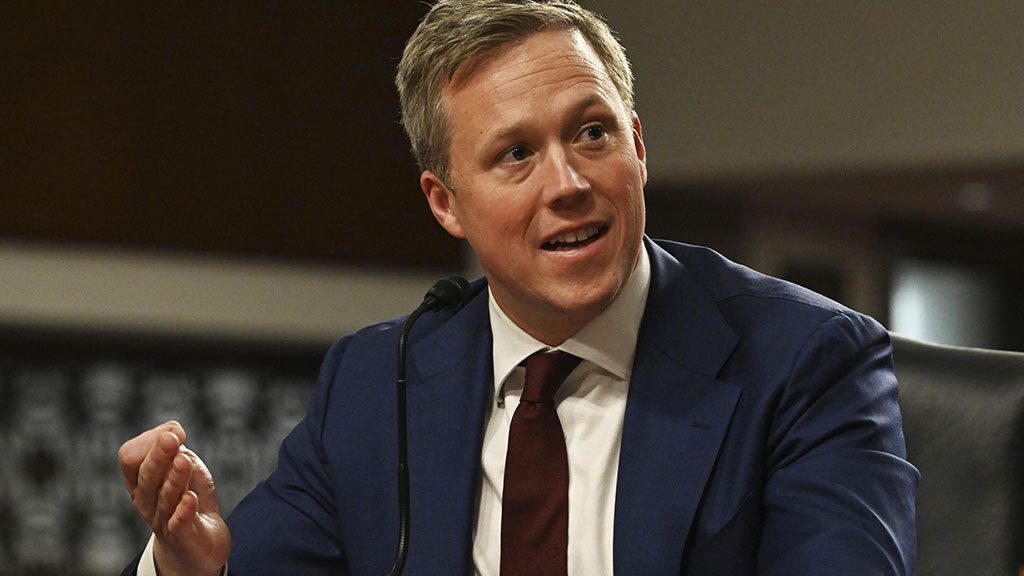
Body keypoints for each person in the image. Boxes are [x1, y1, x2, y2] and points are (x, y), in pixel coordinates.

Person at [118, 1, 919, 574]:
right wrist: (189, 569)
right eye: (516, 155)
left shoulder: (804, 361)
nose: (568, 184)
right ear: (445, 203)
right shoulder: (377, 382)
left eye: (593, 132)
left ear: (638, 147)